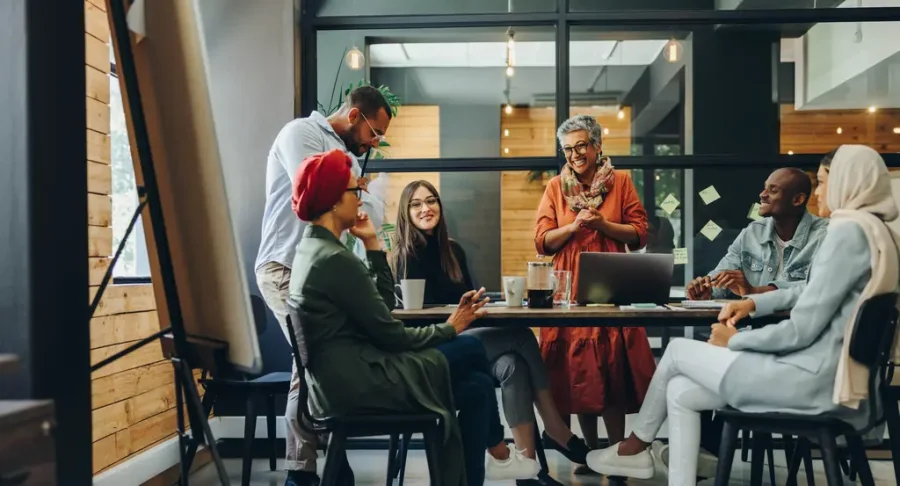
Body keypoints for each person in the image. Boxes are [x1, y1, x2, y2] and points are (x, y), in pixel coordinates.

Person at [586, 144, 900, 485]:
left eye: (824, 182)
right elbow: (810, 293)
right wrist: (753, 303)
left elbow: (802, 329)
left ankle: (632, 450)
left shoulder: (844, 232)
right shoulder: (878, 233)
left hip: (810, 381)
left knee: (676, 351)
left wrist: (737, 340)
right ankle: (659, 467)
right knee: (679, 390)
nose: (820, 191)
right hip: (829, 376)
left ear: (848, 182)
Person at [391, 180, 591, 486]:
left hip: (465, 340)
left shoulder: (452, 250)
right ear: (406, 213)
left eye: (431, 201)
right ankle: (555, 426)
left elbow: (468, 304)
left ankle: (528, 469)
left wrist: (480, 303)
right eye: (416, 204)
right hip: (436, 347)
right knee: (522, 336)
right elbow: (412, 322)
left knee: (513, 365)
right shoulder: (403, 256)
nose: (425, 208)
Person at [253, 86, 392, 486]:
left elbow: (356, 207)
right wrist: (354, 183)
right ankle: (304, 472)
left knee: (321, 358)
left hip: (318, 272)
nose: (375, 142)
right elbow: (319, 191)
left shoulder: (344, 151)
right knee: (308, 359)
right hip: (284, 267)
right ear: (354, 116)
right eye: (374, 131)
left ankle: (330, 463)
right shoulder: (301, 133)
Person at [533, 114, 655, 465]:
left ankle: (618, 451)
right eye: (568, 149)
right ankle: (591, 454)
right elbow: (542, 242)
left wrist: (603, 224)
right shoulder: (556, 187)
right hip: (567, 288)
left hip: (611, 283)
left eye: (581, 146)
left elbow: (640, 233)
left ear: (597, 146)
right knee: (576, 373)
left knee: (611, 368)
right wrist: (572, 227)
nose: (574, 155)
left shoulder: (621, 182)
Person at [687, 167, 828, 300]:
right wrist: (708, 289)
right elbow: (723, 272)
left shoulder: (825, 235)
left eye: (773, 190)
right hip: (752, 325)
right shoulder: (752, 232)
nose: (762, 194)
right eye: (765, 188)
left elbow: (818, 288)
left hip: (800, 325)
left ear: (798, 200)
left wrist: (754, 291)